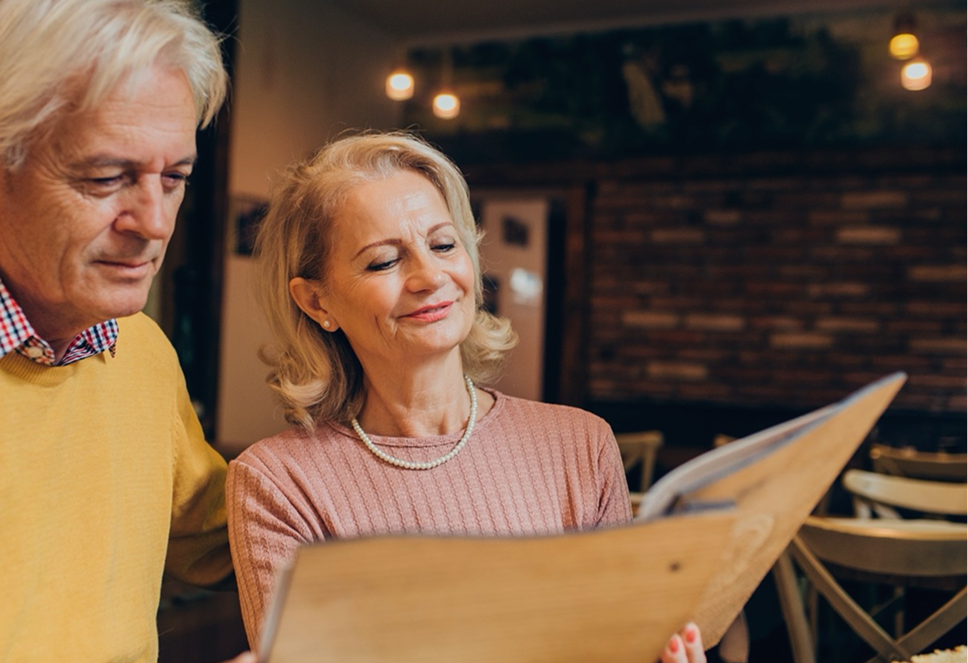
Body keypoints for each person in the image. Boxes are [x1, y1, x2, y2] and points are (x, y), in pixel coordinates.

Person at [226, 131, 706, 663]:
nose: (430, 276)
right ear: (317, 301)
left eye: (443, 244)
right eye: (385, 261)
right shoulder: (276, 483)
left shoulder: (581, 444)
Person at [0, 0, 252, 661]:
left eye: (175, 179)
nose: (155, 222)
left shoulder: (137, 344)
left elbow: (218, 540)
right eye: (109, 177)